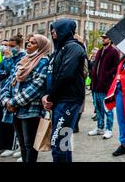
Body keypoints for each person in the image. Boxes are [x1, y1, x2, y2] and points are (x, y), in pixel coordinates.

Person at [0, 34, 51, 162]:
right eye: (28, 42)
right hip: (16, 110)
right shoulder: (23, 60)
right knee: (22, 144)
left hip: (31, 111)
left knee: (30, 146)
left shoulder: (43, 62)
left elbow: (36, 87)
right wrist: (6, 100)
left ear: (41, 47)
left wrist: (13, 102)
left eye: (33, 43)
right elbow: (9, 82)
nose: (28, 44)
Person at [42, 19, 86, 162]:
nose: (52, 32)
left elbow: (65, 75)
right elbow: (52, 75)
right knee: (63, 143)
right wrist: (47, 95)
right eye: (52, 29)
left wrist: (50, 98)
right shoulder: (59, 50)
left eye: (56, 29)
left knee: (58, 143)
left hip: (68, 101)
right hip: (59, 101)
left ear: (64, 30)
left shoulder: (74, 47)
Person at [0, 36, 26, 158]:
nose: (9, 48)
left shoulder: (21, 56)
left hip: (14, 93)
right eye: (8, 46)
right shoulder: (8, 56)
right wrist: (4, 73)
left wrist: (6, 65)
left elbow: (12, 71)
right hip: (4, 92)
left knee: (12, 122)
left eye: (12, 46)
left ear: (19, 44)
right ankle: (2, 145)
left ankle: (11, 146)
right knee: (2, 120)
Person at [89, 34, 119, 139]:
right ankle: (100, 128)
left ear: (110, 39)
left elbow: (115, 68)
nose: (103, 39)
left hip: (105, 86)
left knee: (107, 108)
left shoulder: (114, 52)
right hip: (96, 85)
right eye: (102, 38)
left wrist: (107, 76)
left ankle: (109, 129)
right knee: (98, 108)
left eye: (105, 38)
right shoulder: (100, 51)